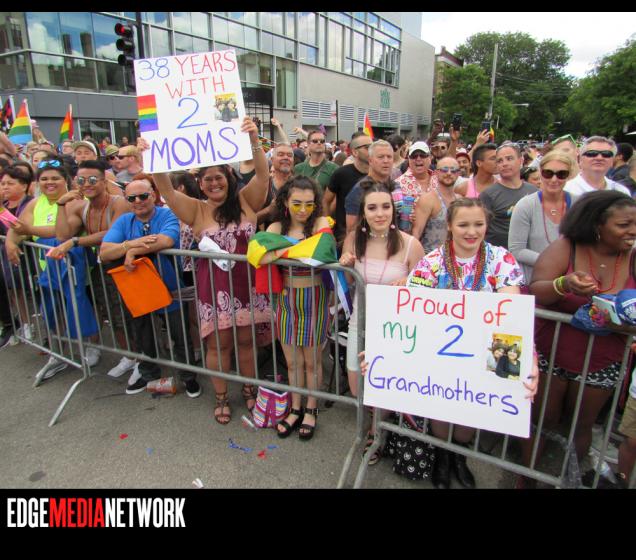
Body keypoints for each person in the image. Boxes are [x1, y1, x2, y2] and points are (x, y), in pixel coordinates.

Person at [141, 116, 271, 425]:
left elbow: (264, 175)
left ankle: (250, 389)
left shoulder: (246, 201)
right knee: (218, 345)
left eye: (219, 177)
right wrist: (152, 155)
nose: (214, 183)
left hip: (248, 285)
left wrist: (254, 139)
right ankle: (222, 397)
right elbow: (167, 191)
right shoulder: (196, 209)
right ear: (200, 184)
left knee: (246, 342)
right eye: (208, 179)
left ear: (229, 177)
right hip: (213, 289)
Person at [406, 198, 532, 488]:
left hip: (487, 351)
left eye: (479, 224)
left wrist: (528, 362)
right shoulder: (432, 262)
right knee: (441, 407)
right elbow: (411, 309)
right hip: (441, 352)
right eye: (463, 224)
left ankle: (459, 456)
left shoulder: (501, 259)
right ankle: (442, 455)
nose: (471, 231)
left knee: (472, 410)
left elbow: (511, 312)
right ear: (450, 226)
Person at [520, 190, 636, 487]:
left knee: (581, 425)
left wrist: (622, 323)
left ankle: (564, 480)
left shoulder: (633, 257)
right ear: (597, 224)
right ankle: (526, 479)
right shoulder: (566, 247)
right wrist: (564, 284)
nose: (632, 231)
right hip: (553, 352)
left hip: (603, 360)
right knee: (542, 419)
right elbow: (537, 289)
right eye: (624, 225)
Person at [339, 182, 425, 462]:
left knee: (383, 385)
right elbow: (349, 281)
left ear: (393, 209)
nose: (380, 213)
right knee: (357, 385)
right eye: (372, 207)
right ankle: (375, 426)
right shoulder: (353, 240)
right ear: (363, 212)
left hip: (394, 330)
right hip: (359, 323)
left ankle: (376, 434)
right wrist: (346, 265)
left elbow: (426, 287)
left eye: (385, 206)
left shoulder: (411, 244)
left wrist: (410, 281)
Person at [99, 178, 200, 397]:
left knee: (180, 334)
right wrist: (129, 245)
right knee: (143, 335)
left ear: (153, 195)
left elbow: (166, 240)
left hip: (171, 288)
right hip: (139, 290)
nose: (138, 201)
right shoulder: (124, 221)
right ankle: (148, 373)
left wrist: (132, 251)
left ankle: (189, 377)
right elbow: (105, 252)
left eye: (143, 196)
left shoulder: (168, 214)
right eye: (131, 198)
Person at [6, 158, 99, 379]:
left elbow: (63, 232)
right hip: (47, 269)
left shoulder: (76, 200)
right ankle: (59, 353)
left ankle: (92, 346)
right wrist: (10, 243)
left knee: (83, 306)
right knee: (53, 311)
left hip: (77, 268)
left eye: (55, 178)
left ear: (65, 180)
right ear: (37, 182)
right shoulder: (34, 203)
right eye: (44, 178)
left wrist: (28, 230)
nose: (49, 182)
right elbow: (17, 227)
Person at [255, 176, 333, 440]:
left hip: (315, 300)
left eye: (309, 204)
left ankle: (311, 409)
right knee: (292, 362)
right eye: (297, 203)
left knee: (312, 362)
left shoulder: (320, 223)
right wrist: (299, 251)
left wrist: (280, 251)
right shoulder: (276, 226)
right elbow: (258, 254)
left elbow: (322, 251)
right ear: (285, 202)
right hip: (286, 302)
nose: (303, 210)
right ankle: (295, 407)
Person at [51, 159, 130, 368]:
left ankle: (145, 361)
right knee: (113, 316)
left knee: (131, 317)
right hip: (102, 267)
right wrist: (61, 205)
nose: (86, 184)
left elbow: (112, 234)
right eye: (81, 180)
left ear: (104, 181)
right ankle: (130, 357)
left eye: (93, 180)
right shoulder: (82, 207)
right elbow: (62, 235)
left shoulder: (119, 203)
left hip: (126, 265)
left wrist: (76, 241)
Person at [509, 152, 578, 283]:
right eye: (548, 173)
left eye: (561, 174)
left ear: (569, 176)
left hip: (572, 281)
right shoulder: (525, 205)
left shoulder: (578, 205)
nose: (554, 179)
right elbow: (517, 250)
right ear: (540, 173)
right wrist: (553, 263)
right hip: (534, 280)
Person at [479, 143, 538, 249]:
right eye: (500, 161)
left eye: (509, 159)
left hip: (529, 252)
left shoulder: (534, 191)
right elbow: (480, 229)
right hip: (499, 254)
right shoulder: (488, 195)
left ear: (521, 160)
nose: (504, 164)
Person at [0, 165, 34, 346]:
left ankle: (37, 326)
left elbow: (19, 228)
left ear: (24, 185)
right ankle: (24, 322)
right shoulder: (5, 205)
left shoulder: (29, 203)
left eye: (10, 183)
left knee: (27, 290)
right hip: (6, 257)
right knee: (13, 290)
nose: (5, 187)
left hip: (27, 255)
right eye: (3, 183)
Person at [322, 132, 371, 245]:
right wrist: (327, 229)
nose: (372, 150)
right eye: (367, 147)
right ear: (355, 152)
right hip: (344, 236)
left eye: (373, 146)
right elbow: (326, 201)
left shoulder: (378, 174)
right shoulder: (341, 173)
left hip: (372, 235)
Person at [412, 156, 462, 254]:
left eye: (453, 170)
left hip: (454, 257)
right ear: (436, 173)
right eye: (444, 170)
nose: (449, 173)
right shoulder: (428, 199)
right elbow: (416, 232)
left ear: (458, 174)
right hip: (430, 257)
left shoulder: (460, 200)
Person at [344, 139, 395, 234]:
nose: (386, 161)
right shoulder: (358, 191)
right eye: (381, 157)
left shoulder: (396, 186)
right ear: (370, 161)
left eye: (389, 157)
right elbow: (351, 231)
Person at [392, 141, 434, 234]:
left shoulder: (439, 180)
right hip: (409, 237)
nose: (418, 159)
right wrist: (404, 216)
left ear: (430, 158)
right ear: (408, 159)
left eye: (422, 155)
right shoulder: (397, 184)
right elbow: (392, 216)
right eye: (414, 156)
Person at [565, 136, 630, 197]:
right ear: (580, 159)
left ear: (612, 160)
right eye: (592, 153)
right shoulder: (566, 190)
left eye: (606, 154)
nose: (599, 158)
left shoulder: (621, 191)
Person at [256, 143, 294, 230]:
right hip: (271, 236)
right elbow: (251, 221)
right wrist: (269, 210)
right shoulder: (263, 185)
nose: (286, 157)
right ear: (272, 160)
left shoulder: (301, 184)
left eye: (289, 155)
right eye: (281, 154)